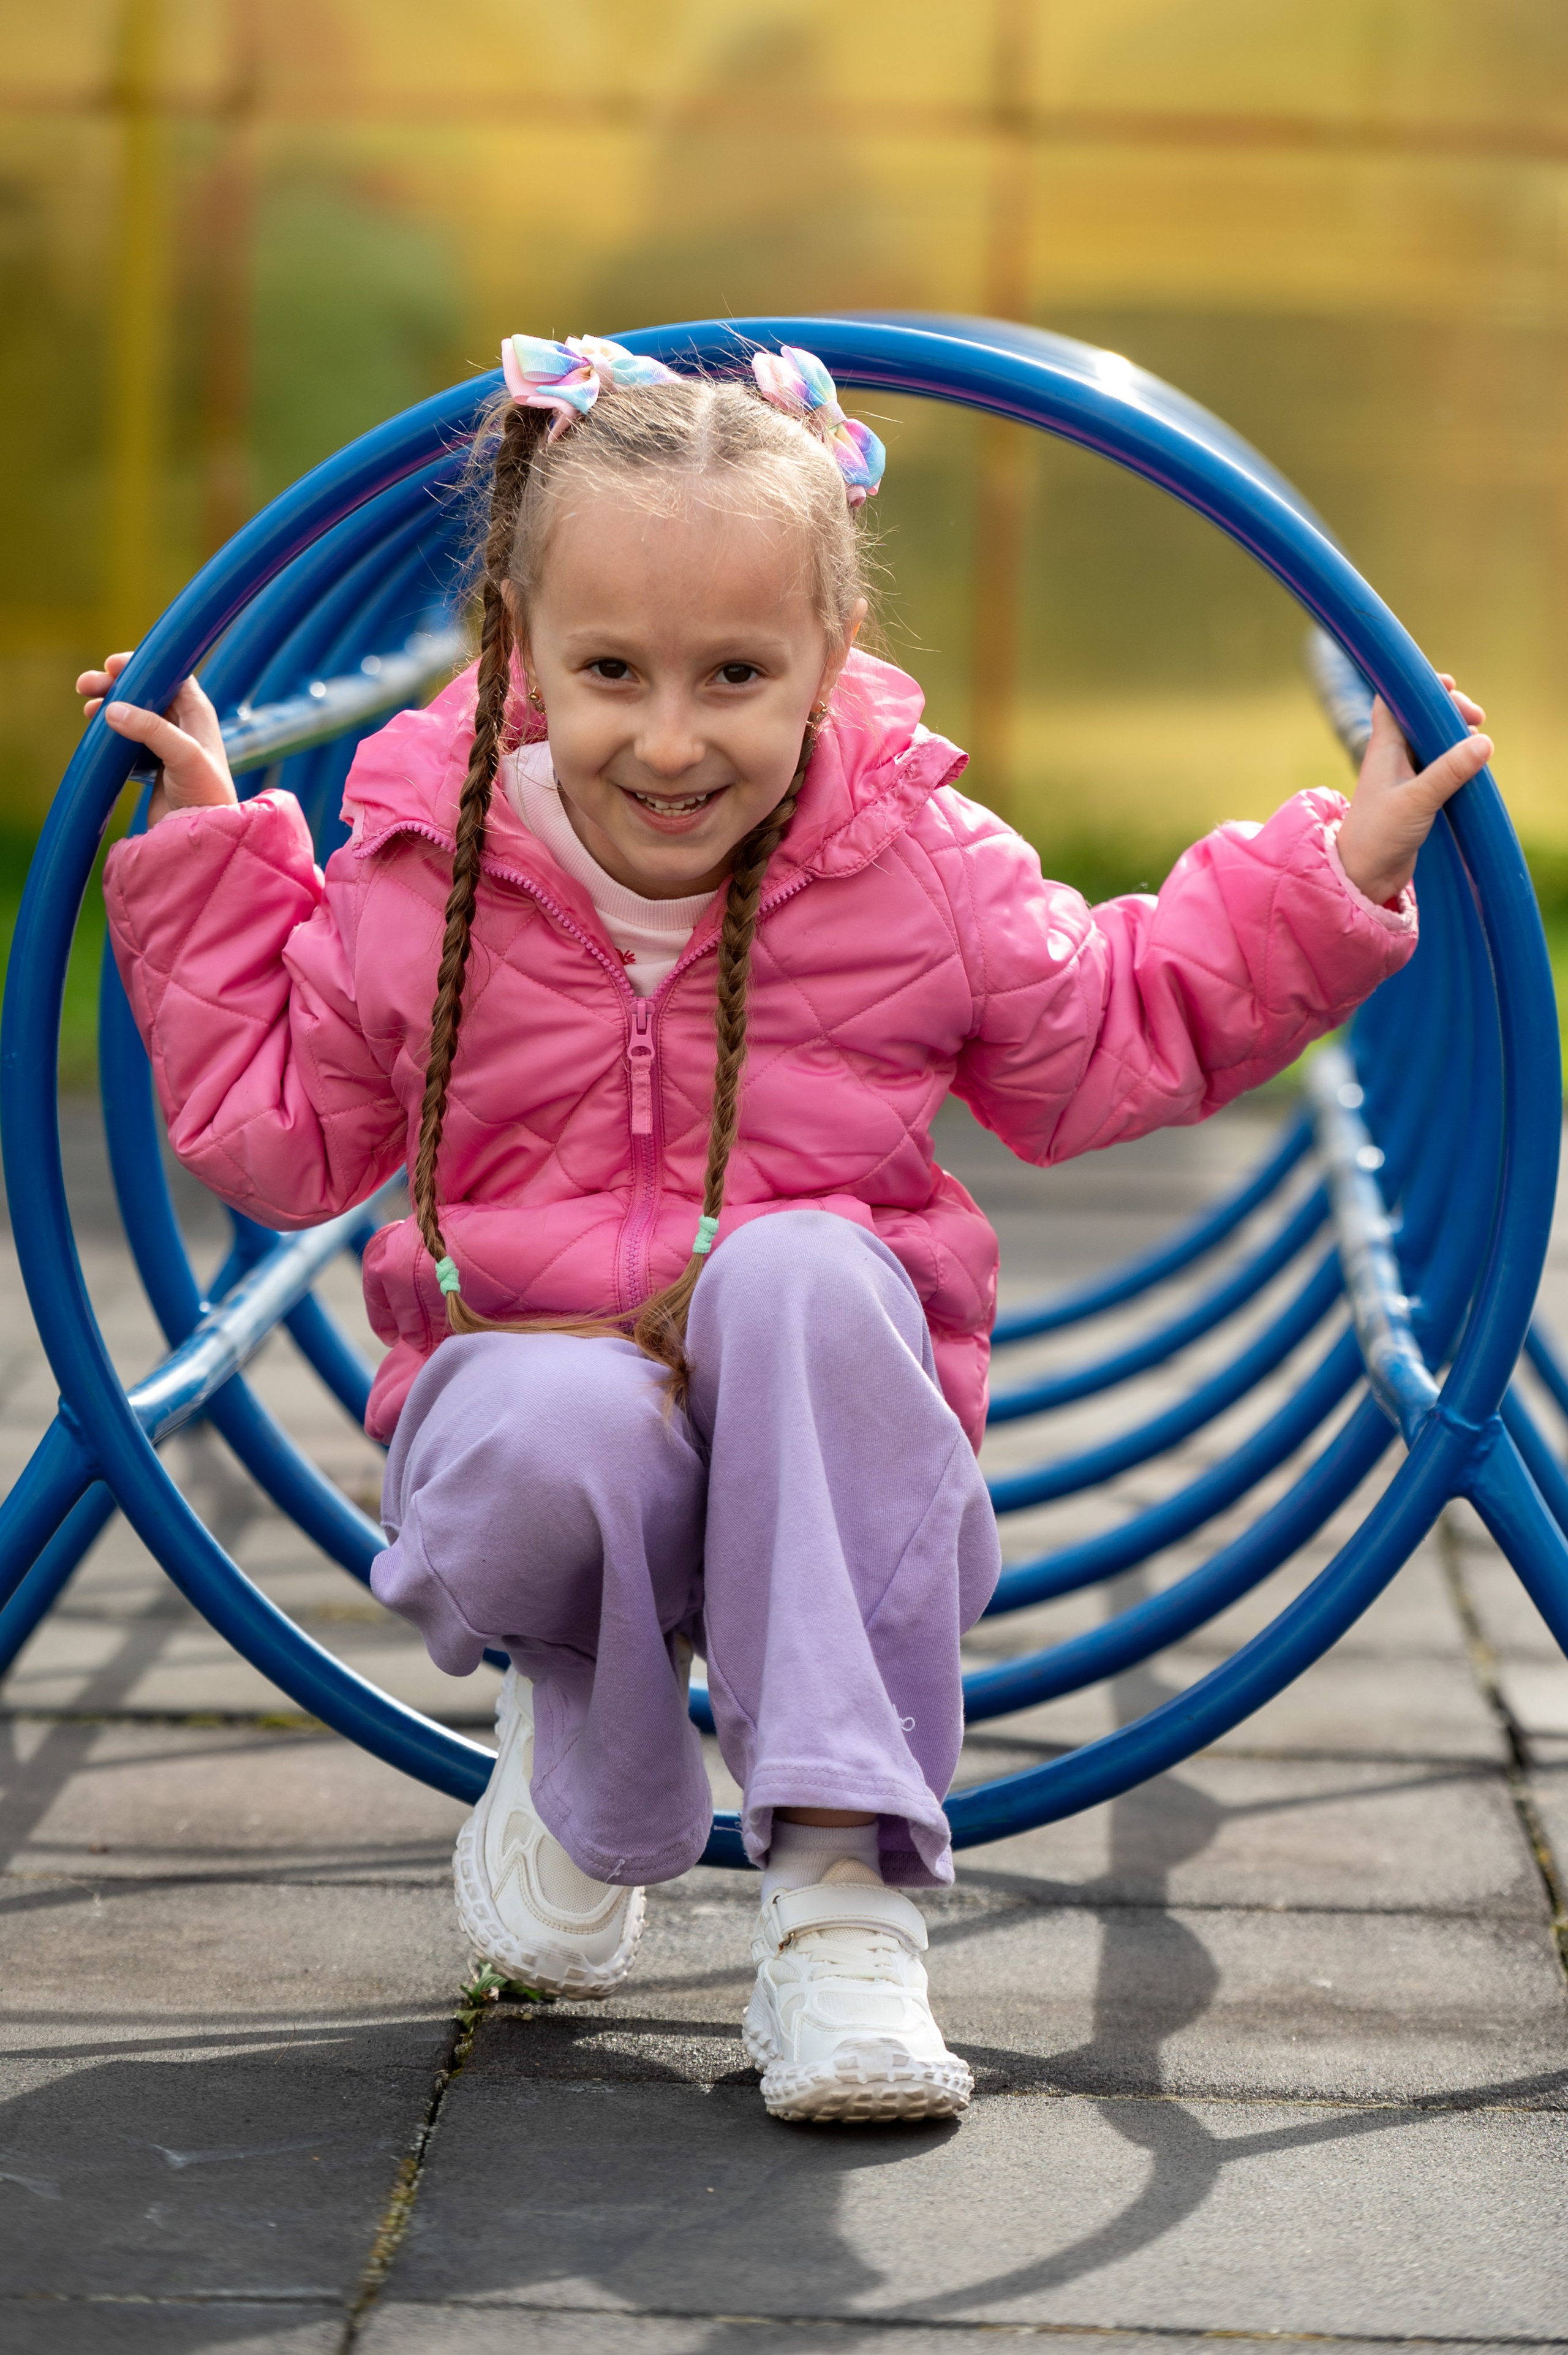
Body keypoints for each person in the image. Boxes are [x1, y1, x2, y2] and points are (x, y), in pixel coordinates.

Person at [82, 334, 1490, 2127]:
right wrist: (214, 851)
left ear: (834, 654)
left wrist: (1336, 873)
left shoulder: (912, 863)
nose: (670, 738)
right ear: (517, 643)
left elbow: (1109, 1026)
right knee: (569, 1414)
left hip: (827, 1458)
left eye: (737, 672)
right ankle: (591, 1744)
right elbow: (276, 1142)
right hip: (523, 1446)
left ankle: (841, 1903)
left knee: (810, 1263)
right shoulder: (425, 870)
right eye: (610, 671)